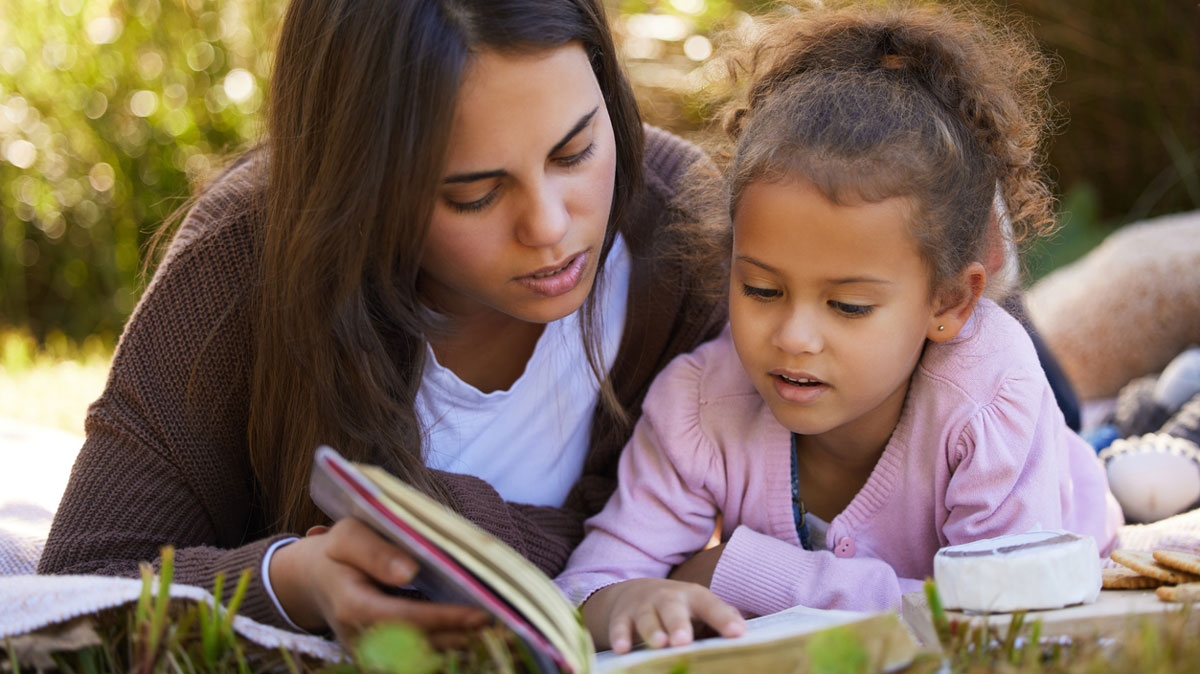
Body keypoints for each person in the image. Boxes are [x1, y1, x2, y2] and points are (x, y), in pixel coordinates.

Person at [38, 0, 727, 644]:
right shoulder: (241, 262)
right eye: (475, 194)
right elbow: (71, 594)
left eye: (574, 153)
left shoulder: (684, 230)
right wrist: (288, 582)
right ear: (362, 182)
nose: (549, 226)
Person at [554, 2, 1124, 654]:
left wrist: (746, 573)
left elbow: (1004, 619)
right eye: (762, 289)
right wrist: (623, 598)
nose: (794, 335)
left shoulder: (987, 395)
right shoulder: (699, 404)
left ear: (949, 301)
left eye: (849, 306)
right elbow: (582, 592)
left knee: (1118, 452)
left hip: (1063, 498)